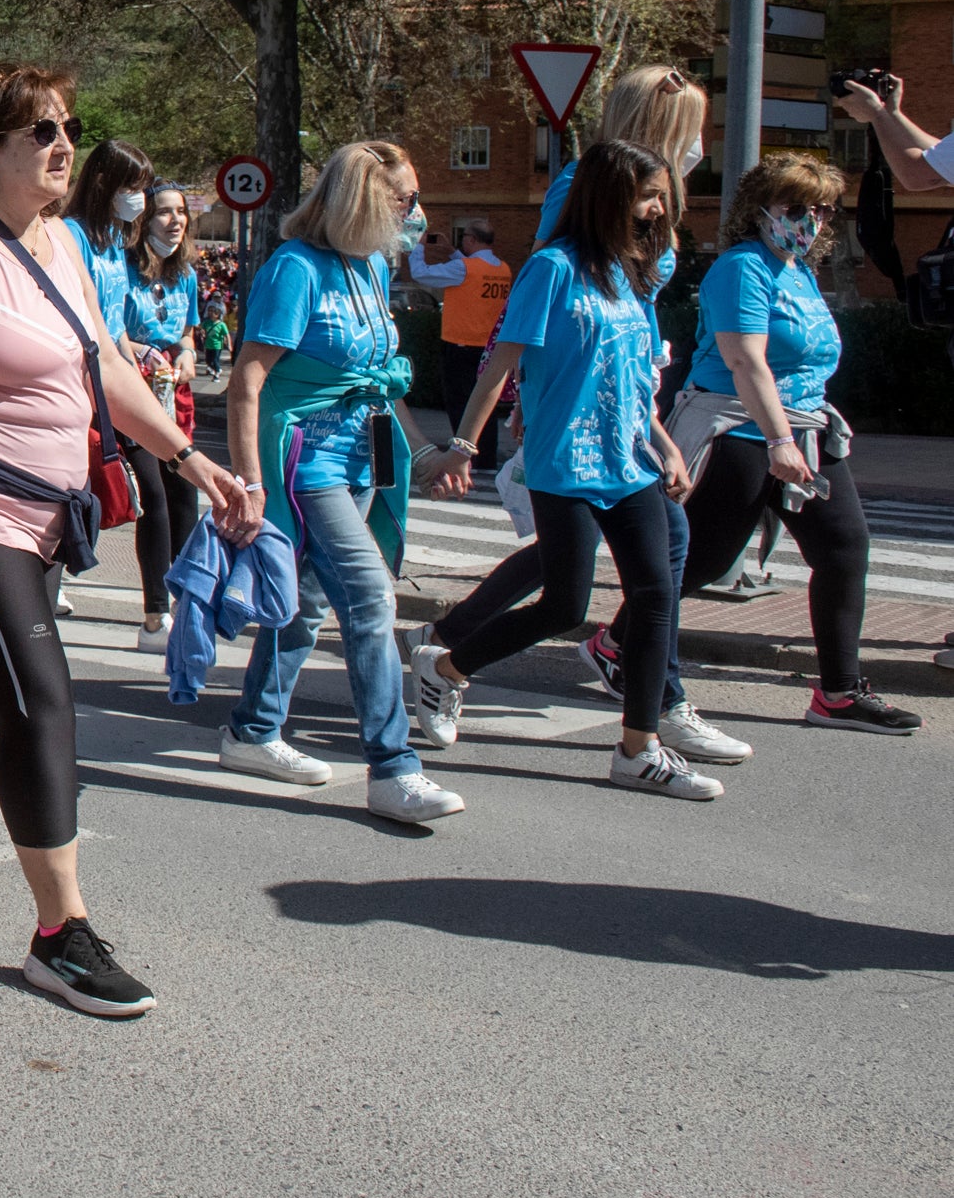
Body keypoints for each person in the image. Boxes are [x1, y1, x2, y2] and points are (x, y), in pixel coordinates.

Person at [0, 65, 259, 1025]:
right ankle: (59, 934)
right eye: (41, 131)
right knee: (42, 700)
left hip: (45, 517)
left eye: (68, 127)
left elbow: (104, 365)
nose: (65, 144)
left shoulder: (63, 242)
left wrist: (193, 461)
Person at [417, 140, 719, 800]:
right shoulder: (550, 268)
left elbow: (632, 378)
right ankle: (447, 669)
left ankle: (638, 749)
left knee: (655, 596)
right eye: (648, 195)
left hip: (629, 463)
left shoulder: (631, 273)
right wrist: (463, 446)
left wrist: (665, 446)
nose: (658, 208)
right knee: (563, 606)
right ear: (611, 195)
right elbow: (499, 366)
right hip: (564, 463)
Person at [211, 139, 468, 821]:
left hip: (360, 461)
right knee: (370, 598)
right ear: (366, 200)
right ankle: (393, 767)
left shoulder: (372, 268)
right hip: (305, 463)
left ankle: (252, 730)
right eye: (406, 200)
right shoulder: (295, 269)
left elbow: (377, 382)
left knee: (307, 602)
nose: (417, 213)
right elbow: (247, 381)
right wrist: (250, 481)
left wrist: (423, 451)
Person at [675, 154, 915, 734]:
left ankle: (839, 693)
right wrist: (778, 439)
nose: (811, 220)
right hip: (740, 427)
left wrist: (796, 433)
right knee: (706, 558)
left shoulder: (797, 270)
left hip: (806, 426)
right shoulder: (741, 268)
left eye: (822, 209)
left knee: (844, 547)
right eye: (797, 207)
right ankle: (618, 644)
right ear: (759, 208)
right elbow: (744, 360)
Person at [117, 182, 203, 651]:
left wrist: (187, 352)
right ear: (144, 219)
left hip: (172, 393)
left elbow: (187, 332)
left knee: (184, 493)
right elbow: (104, 329)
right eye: (164, 212)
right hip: (129, 389)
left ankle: (183, 603)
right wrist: (139, 351)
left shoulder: (184, 272)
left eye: (181, 212)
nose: (175, 221)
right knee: (151, 494)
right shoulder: (122, 267)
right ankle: (155, 616)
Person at [410, 218, 514, 472]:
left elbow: (420, 272)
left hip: (461, 346)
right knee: (485, 405)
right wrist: (452, 252)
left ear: (472, 240)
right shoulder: (503, 269)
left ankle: (465, 457)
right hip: (489, 348)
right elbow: (473, 274)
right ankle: (485, 459)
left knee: (461, 405)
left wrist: (418, 246)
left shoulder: (464, 268)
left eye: (464, 237)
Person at [62, 138, 151, 342]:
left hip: (113, 354)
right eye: (132, 188)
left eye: (142, 189)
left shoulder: (115, 236)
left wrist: (132, 359)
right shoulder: (73, 234)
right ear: (102, 182)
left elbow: (116, 323)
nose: (140, 197)